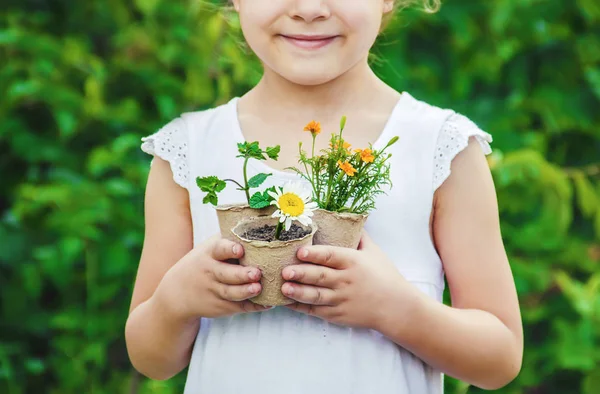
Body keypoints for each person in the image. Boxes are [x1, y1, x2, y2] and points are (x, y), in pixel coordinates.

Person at [125, 1, 523, 393]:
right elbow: (151, 359)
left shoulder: (439, 147)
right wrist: (176, 300)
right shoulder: (187, 149)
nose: (310, 9)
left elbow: (498, 359)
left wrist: (396, 309)